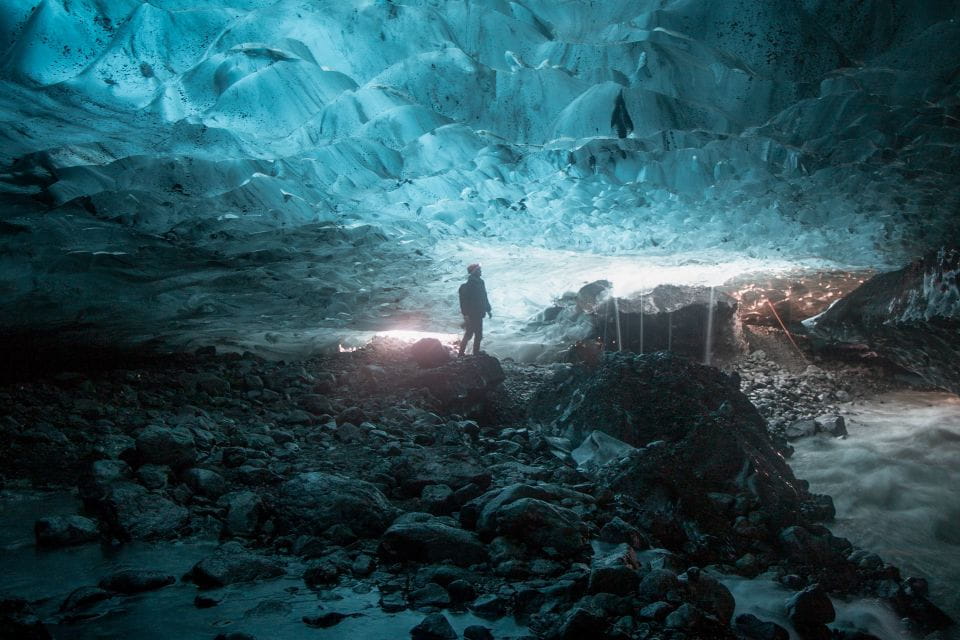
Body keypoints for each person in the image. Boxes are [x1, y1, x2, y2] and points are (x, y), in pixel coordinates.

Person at [458, 263, 492, 356]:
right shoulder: (468, 286)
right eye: (479, 270)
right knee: (469, 334)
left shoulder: (481, 282)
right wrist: (465, 314)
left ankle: (475, 352)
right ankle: (461, 353)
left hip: (479, 313)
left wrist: (488, 309)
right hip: (472, 314)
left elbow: (484, 296)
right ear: (474, 272)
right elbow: (464, 301)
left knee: (478, 334)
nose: (481, 271)